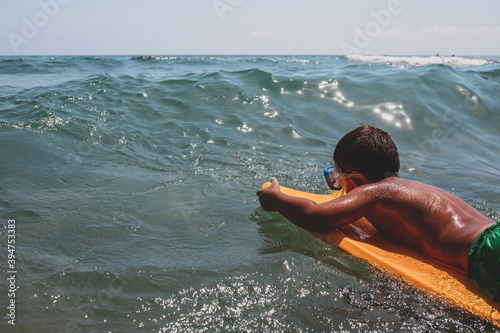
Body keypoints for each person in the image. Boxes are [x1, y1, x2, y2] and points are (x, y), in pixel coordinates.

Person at [256, 124, 500, 301]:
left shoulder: (376, 191)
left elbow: (316, 217)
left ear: (357, 178)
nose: (338, 185)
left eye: (337, 177)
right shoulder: (413, 188)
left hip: (487, 254)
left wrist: (274, 197)